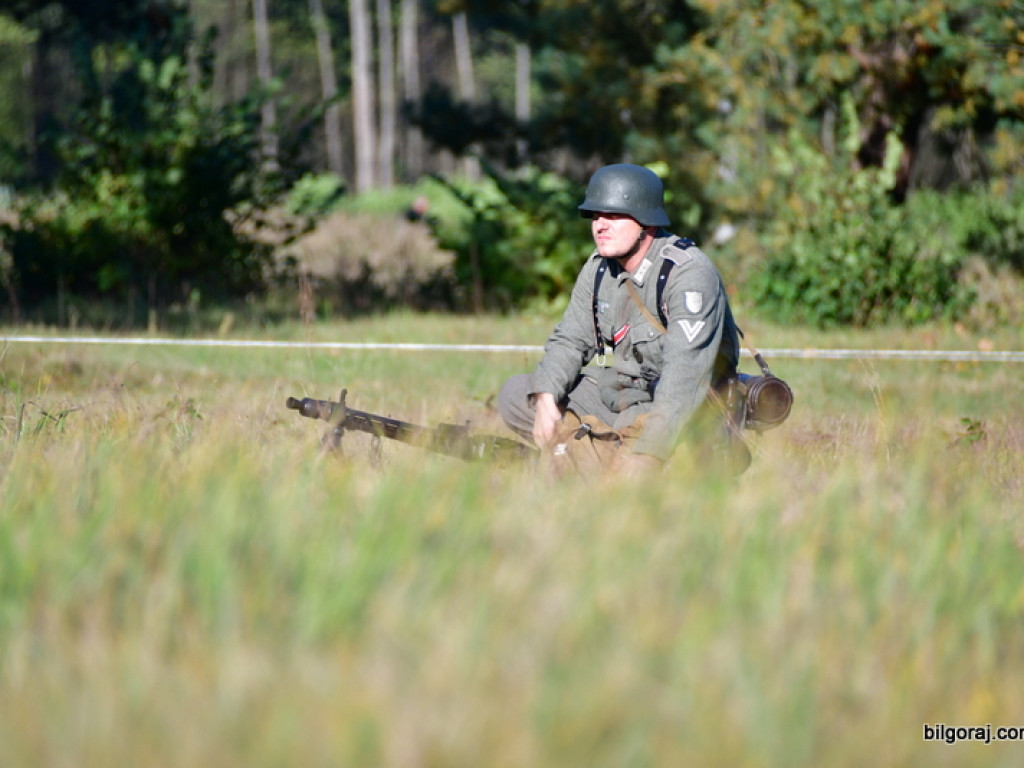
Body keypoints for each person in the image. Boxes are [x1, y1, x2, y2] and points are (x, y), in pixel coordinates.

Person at [497, 163, 743, 476]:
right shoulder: (600, 267)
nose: (600, 225)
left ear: (647, 223)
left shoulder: (688, 273)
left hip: (686, 410)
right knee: (519, 394)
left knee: (638, 466)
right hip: (624, 396)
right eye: (596, 215)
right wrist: (546, 399)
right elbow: (571, 339)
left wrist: (648, 456)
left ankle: (598, 460)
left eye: (614, 215)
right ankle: (593, 457)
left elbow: (685, 377)